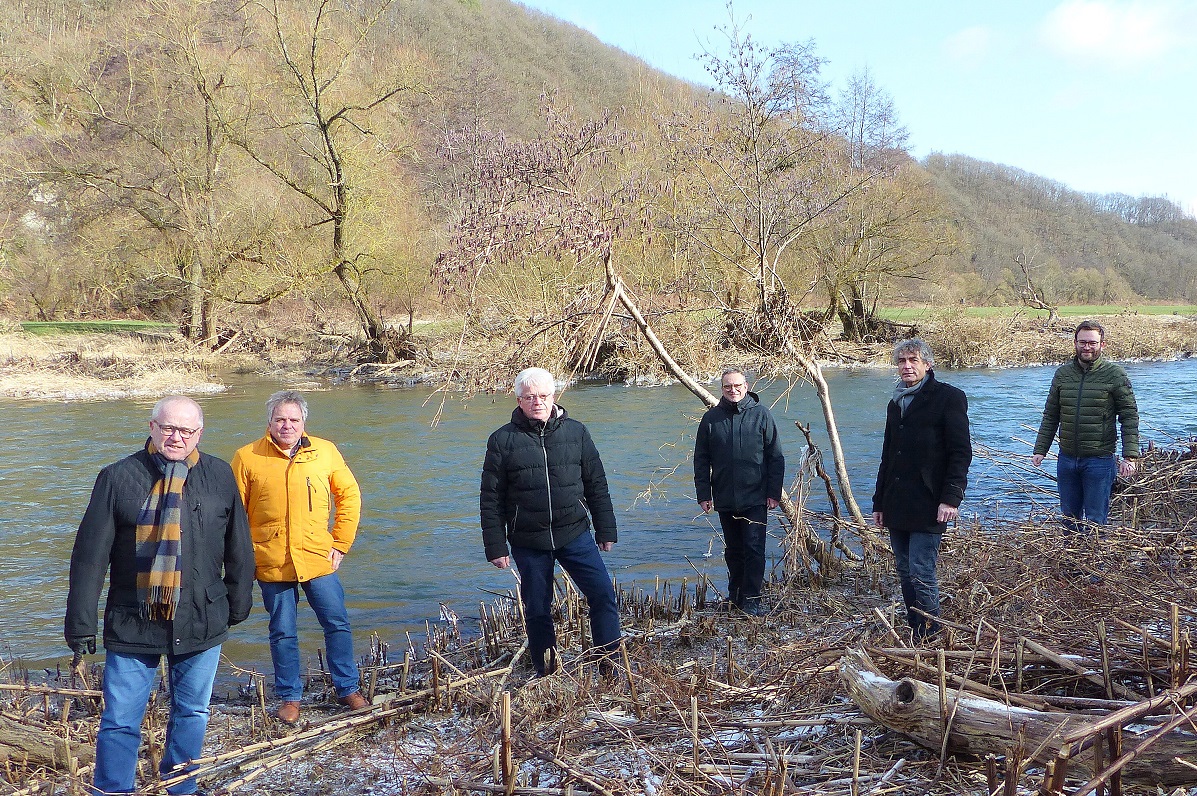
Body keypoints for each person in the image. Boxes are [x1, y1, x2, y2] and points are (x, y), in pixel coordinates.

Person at [65, 396, 254, 795]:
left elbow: (240, 545)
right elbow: (89, 559)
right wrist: (80, 622)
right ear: (152, 426)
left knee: (193, 712)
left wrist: (238, 603)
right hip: (134, 618)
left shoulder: (220, 475)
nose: (177, 437)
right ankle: (113, 789)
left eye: (186, 430)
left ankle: (181, 786)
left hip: (202, 616)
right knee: (120, 719)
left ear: (199, 433)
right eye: (169, 428)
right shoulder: (118, 477)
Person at [231, 391, 366, 724]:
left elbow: (349, 495)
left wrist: (341, 543)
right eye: (280, 419)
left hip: (318, 557)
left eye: (293, 420)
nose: (286, 425)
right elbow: (233, 514)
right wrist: (243, 561)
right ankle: (290, 697)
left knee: (336, 622)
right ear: (270, 422)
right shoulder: (247, 457)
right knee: (282, 631)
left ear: (304, 422)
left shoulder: (325, 452)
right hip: (270, 559)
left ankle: (347, 688)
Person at [480, 367, 622, 677]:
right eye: (529, 397)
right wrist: (495, 545)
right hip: (528, 540)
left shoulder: (577, 432)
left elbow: (596, 483)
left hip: (575, 533)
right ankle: (546, 670)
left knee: (602, 595)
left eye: (543, 396)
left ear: (553, 396)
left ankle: (609, 665)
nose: (537, 402)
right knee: (538, 609)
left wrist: (606, 528)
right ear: (519, 401)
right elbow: (490, 498)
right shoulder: (502, 440)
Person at [872, 340, 972, 641]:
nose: (906, 366)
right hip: (897, 500)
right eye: (901, 361)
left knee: (921, 569)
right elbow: (888, 454)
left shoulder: (949, 398)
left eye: (913, 360)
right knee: (903, 569)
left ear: (927, 364)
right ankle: (915, 626)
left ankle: (931, 632)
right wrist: (879, 501)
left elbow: (960, 452)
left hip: (930, 502)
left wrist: (951, 498)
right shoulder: (895, 402)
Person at [693, 367, 785, 616]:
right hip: (724, 496)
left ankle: (752, 598)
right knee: (733, 550)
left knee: (754, 548)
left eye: (737, 386)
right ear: (721, 389)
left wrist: (773, 492)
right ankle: (735, 595)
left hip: (756, 496)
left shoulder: (762, 416)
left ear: (746, 387)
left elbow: (775, 457)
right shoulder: (711, 419)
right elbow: (701, 460)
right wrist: (704, 494)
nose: (733, 391)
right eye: (727, 387)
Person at [1032, 320, 1140, 530]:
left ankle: (1094, 562)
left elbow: (1129, 416)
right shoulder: (1062, 375)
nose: (1087, 347)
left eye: (1092, 343)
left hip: (1099, 460)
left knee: (1095, 522)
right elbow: (1051, 415)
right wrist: (1040, 449)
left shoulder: (1115, 375)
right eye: (1083, 343)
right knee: (1069, 520)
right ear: (1075, 343)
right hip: (1067, 459)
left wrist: (1130, 457)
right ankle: (1069, 562)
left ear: (1102, 345)